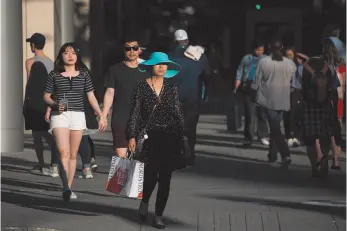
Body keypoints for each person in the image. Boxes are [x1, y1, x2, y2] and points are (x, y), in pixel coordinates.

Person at [127, 52, 187, 229]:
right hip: (149, 137)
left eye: (164, 64)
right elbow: (135, 112)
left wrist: (184, 136)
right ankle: (145, 201)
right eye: (158, 64)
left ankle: (159, 215)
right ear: (150, 66)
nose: (161, 67)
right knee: (151, 176)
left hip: (169, 136)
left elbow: (177, 111)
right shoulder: (141, 86)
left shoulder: (171, 87)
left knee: (166, 178)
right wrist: (131, 135)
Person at [43, 42, 107, 201]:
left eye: (73, 53)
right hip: (60, 116)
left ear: (77, 56)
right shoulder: (54, 75)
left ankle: (69, 187)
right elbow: (46, 96)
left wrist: (101, 115)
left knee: (72, 155)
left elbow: (91, 96)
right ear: (61, 56)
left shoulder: (84, 74)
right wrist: (54, 105)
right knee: (63, 152)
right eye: (66, 52)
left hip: (78, 115)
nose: (70, 55)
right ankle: (65, 187)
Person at [168, 29, 211, 166]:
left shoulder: (168, 57)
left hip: (173, 97)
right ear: (187, 41)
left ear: (174, 41)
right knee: (191, 127)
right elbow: (207, 76)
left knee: (174, 127)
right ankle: (189, 155)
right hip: (193, 97)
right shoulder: (199, 56)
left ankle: (176, 154)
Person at [252, 37, 296, 168]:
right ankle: (272, 154)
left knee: (275, 128)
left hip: (268, 99)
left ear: (269, 48)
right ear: (282, 48)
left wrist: (253, 94)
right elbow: (295, 83)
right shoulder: (290, 64)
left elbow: (256, 82)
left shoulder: (263, 62)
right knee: (275, 126)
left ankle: (285, 154)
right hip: (284, 99)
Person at [102, 35, 148, 158]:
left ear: (139, 50)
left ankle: (137, 178)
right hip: (121, 116)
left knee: (140, 155)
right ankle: (125, 177)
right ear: (123, 50)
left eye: (135, 48)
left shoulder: (146, 70)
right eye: (128, 48)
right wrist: (104, 114)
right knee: (121, 155)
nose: (132, 51)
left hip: (142, 118)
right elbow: (110, 92)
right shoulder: (115, 70)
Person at [24, 32, 59, 177]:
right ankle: (55, 165)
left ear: (33, 45)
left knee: (37, 136)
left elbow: (30, 84)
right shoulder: (52, 63)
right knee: (50, 135)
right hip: (49, 102)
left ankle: (40, 164)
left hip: (35, 103)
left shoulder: (29, 62)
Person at [234, 40, 269, 147]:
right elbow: (240, 72)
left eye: (262, 50)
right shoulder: (246, 58)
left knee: (262, 113)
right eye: (258, 50)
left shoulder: (266, 59)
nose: (260, 52)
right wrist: (236, 86)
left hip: (262, 87)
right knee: (250, 114)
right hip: (248, 86)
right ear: (253, 49)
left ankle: (263, 135)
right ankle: (248, 137)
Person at [283, 47, 308, 147]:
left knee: (297, 114)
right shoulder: (282, 65)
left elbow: (308, 61)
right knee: (287, 115)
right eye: (287, 54)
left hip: (296, 92)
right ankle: (289, 136)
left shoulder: (299, 66)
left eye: (291, 55)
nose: (289, 56)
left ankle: (296, 136)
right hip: (284, 92)